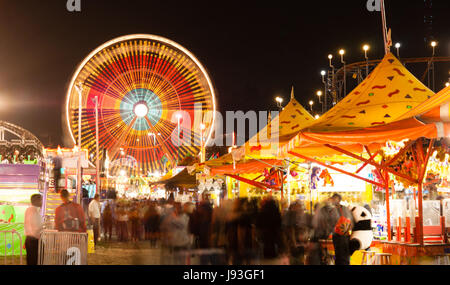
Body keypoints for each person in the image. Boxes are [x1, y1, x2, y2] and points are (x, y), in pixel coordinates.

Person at [329, 193, 354, 265]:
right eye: (333, 199)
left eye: (334, 199)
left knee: (342, 257)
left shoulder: (339, 210)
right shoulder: (334, 210)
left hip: (341, 236)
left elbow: (350, 222)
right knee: (341, 256)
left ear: (339, 200)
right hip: (341, 236)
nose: (333, 200)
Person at [24, 194, 43, 265]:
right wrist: (44, 225)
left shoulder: (28, 210)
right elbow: (36, 228)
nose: (42, 202)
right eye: (41, 200)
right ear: (37, 201)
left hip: (29, 239)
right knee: (35, 261)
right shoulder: (34, 211)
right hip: (34, 240)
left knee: (30, 261)